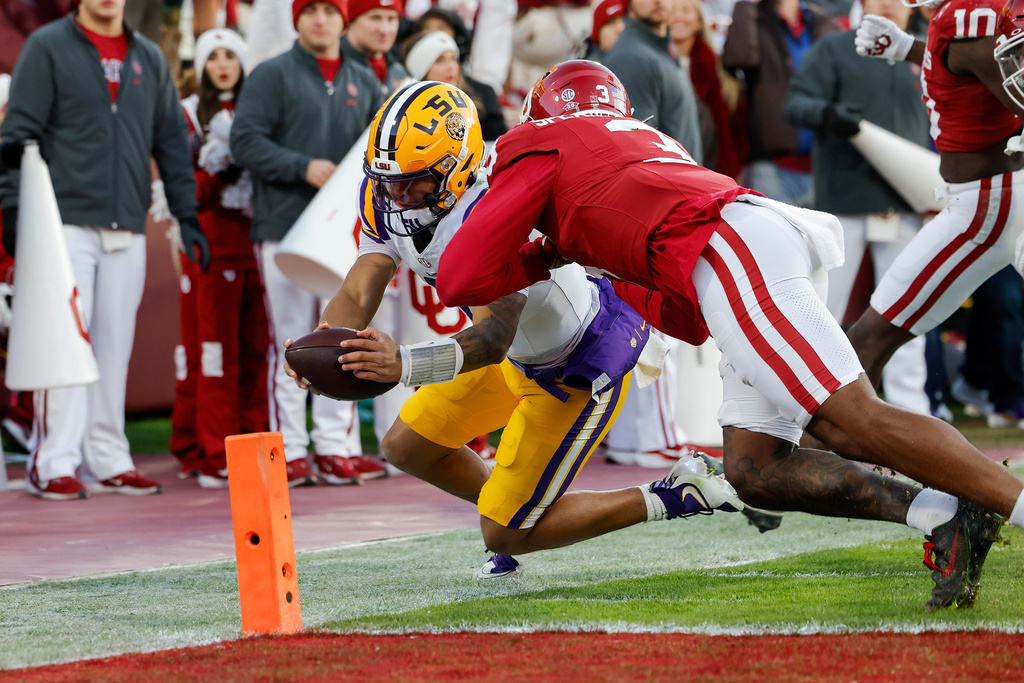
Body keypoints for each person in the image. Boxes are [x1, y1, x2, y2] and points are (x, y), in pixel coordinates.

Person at [435, 60, 1024, 610]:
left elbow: (462, 274)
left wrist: (545, 256)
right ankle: (943, 514)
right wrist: (573, 252)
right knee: (755, 468)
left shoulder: (540, 142)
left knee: (850, 419)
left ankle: (1008, 502)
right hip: (741, 246)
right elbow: (691, 321)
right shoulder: (637, 150)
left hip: (730, 249)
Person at [287, 81, 743, 577]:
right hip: (512, 355)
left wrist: (404, 366)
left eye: (413, 183)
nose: (397, 196)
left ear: (457, 167)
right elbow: (361, 285)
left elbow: (490, 337)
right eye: (387, 181)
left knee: (503, 532)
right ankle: (515, 508)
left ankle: (674, 493)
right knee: (407, 447)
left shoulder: (498, 204)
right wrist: (327, 342)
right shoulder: (390, 194)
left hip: (573, 364)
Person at [0, 0, 208, 500]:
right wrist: (13, 209)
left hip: (128, 225)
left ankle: (110, 456)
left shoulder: (149, 57)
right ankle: (52, 461)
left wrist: (187, 215)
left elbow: (171, 146)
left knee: (115, 348)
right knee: (67, 343)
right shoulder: (47, 46)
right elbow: (16, 134)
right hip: (62, 223)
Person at [230, 0, 385, 486]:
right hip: (282, 228)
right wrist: (302, 165)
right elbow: (245, 141)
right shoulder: (270, 74)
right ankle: (291, 449)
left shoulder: (364, 78)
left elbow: (381, 149)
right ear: (296, 18)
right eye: (310, 9)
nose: (321, 19)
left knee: (344, 337)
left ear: (345, 19)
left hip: (347, 235)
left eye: (330, 9)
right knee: (291, 340)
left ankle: (336, 447)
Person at [846, 2, 1024, 423]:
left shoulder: (967, 17)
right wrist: (911, 48)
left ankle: (813, 464)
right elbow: (970, 65)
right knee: (870, 339)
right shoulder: (961, 22)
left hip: (984, 206)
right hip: (986, 197)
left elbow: (988, 63)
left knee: (868, 339)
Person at [782, 0, 932, 415]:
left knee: (906, 313)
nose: (887, 5)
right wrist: (828, 114)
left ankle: (912, 412)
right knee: (823, 311)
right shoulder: (833, 49)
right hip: (844, 204)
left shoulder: (927, 52)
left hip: (907, 204)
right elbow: (794, 105)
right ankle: (810, 407)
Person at [170, 28, 270, 488]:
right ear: (203, 65)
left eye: (232, 55)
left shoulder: (256, 110)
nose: (223, 64)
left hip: (256, 247)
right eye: (215, 57)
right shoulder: (188, 115)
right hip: (211, 250)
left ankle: (251, 446)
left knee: (254, 354)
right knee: (212, 355)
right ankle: (211, 451)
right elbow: (182, 191)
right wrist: (218, 171)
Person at [722, 0, 840, 207]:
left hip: (826, 167)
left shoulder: (822, 20)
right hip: (773, 168)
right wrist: (747, 4)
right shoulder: (753, 16)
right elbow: (738, 58)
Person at [604, 0, 704, 164]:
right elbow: (641, 153)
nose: (657, 1)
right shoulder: (631, 57)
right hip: (673, 185)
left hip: (689, 182)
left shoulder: (664, 44)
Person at [671, 0, 747, 179]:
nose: (679, 16)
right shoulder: (654, 66)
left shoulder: (721, 68)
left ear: (698, 21)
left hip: (719, 172)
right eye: (672, 10)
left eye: (685, 10)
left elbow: (736, 126)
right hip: (674, 170)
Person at [401, 30, 507, 142]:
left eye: (453, 58)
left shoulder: (484, 95)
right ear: (422, 71)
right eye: (440, 60)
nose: (451, 67)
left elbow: (498, 146)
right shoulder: (410, 112)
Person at [341, 0, 410, 96]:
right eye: (375, 18)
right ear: (351, 21)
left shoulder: (399, 71)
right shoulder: (335, 69)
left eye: (391, 19)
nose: (385, 29)